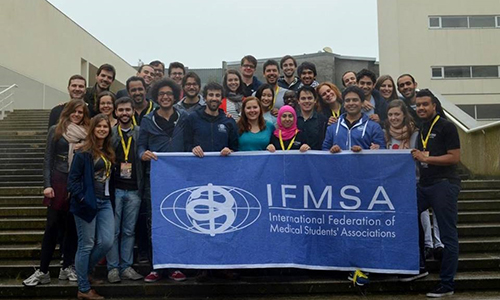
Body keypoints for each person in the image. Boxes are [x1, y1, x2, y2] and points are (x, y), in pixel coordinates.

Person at [23, 99, 90, 287]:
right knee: (52, 227)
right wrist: (47, 184)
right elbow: (47, 159)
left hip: (76, 183)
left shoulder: (87, 135)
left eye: (81, 112)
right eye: (74, 111)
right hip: (58, 181)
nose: (77, 115)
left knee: (71, 228)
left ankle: (66, 266)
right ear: (68, 111)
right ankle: (43, 270)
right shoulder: (56, 129)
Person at [408, 89, 461, 298]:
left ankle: (447, 284)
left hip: (444, 184)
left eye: (425, 104)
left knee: (448, 235)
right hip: (425, 184)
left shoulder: (447, 126)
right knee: (408, 218)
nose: (420, 108)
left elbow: (454, 157)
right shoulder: (422, 127)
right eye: (418, 105)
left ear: (434, 106)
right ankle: (420, 264)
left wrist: (426, 158)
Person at [138, 78, 189, 283]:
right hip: (156, 179)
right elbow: (141, 146)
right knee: (155, 223)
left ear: (175, 95)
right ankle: (156, 267)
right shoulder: (147, 120)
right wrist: (143, 154)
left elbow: (192, 142)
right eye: (161, 94)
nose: (165, 97)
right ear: (156, 97)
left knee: (177, 221)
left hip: (180, 179)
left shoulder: (185, 118)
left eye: (169, 94)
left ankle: (176, 266)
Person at [68, 114, 115, 300]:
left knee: (106, 242)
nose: (102, 129)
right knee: (86, 245)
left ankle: (83, 273)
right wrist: (83, 199)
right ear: (92, 129)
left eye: (105, 126)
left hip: (105, 202)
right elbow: (72, 181)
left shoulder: (109, 151)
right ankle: (84, 289)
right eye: (98, 126)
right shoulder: (83, 152)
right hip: (87, 204)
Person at [106, 97, 144, 283]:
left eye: (127, 110)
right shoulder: (110, 134)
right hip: (115, 189)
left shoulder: (141, 132)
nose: (124, 113)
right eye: (120, 110)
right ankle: (113, 268)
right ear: (115, 112)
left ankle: (126, 266)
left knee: (129, 231)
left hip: (135, 189)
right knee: (113, 231)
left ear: (132, 111)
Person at [322, 85, 385, 153]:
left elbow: (381, 150)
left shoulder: (374, 127)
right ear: (344, 104)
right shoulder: (332, 127)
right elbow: (325, 150)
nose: (351, 103)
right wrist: (332, 150)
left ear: (362, 103)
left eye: (355, 100)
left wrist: (364, 152)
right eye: (347, 100)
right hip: (339, 163)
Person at [184, 82, 239, 157]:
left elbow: (236, 148)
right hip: (198, 165)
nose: (214, 98)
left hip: (222, 166)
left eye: (217, 95)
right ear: (205, 98)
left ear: (222, 99)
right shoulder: (192, 118)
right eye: (210, 95)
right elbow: (185, 144)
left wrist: (230, 151)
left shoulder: (229, 121)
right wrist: (193, 149)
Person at [295, 85, 327, 150]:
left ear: (315, 100)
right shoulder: (292, 119)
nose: (307, 101)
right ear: (298, 101)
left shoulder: (323, 121)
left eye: (309, 98)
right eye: (303, 98)